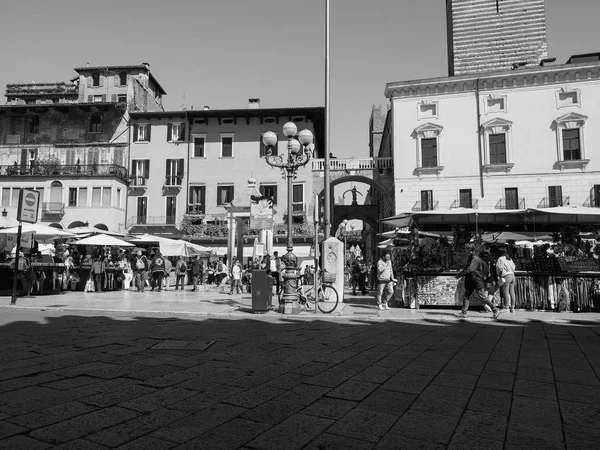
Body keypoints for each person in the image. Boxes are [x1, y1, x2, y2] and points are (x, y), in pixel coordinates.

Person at [456, 244, 501, 319]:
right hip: (472, 280)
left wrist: (460, 274)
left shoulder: (475, 258)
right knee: (466, 296)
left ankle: (495, 309)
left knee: (482, 297)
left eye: (466, 249)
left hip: (476, 281)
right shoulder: (472, 257)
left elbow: (470, 269)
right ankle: (464, 312)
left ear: (470, 250)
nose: (465, 251)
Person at [496, 247, 517, 313]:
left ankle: (506, 307)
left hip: (506, 276)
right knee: (512, 292)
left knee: (506, 292)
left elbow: (499, 268)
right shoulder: (510, 258)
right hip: (512, 275)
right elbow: (513, 267)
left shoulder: (500, 259)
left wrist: (499, 273)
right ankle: (513, 307)